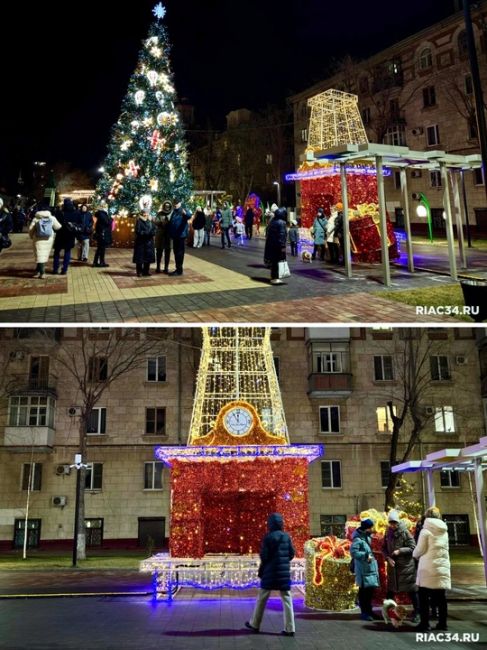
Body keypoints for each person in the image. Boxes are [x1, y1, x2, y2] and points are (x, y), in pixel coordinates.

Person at [245, 513, 296, 637]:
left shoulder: (268, 537)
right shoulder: (286, 537)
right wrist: (283, 561)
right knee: (287, 600)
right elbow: (291, 553)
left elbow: (264, 556)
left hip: (269, 572)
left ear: (270, 525)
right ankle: (290, 628)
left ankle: (255, 624)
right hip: (283, 573)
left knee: (262, 598)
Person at [413, 507, 451, 632]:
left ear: (427, 516)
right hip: (442, 568)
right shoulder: (444, 530)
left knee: (423, 597)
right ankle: (443, 623)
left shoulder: (426, 530)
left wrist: (414, 555)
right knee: (441, 598)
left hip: (428, 569)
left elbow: (420, 549)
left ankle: (425, 624)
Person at [382, 510, 419, 623]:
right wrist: (387, 558)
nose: (393, 525)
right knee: (390, 592)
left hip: (406, 568)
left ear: (398, 522)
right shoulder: (388, 533)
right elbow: (383, 548)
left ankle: (418, 613)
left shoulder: (405, 532)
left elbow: (413, 547)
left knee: (412, 591)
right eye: (391, 523)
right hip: (393, 568)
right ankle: (388, 613)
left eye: (394, 523)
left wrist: (400, 551)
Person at [350, 517, 380, 621]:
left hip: (369, 569)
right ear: (367, 528)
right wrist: (366, 555)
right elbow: (353, 552)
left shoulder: (366, 537)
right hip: (363, 570)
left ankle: (369, 611)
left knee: (369, 592)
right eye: (371, 527)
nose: (373, 529)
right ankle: (364, 613)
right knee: (364, 592)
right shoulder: (358, 539)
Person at [28, 200, 62, 278]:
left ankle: (42, 273)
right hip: (48, 239)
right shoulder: (52, 218)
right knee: (43, 255)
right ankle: (38, 271)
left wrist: (31, 236)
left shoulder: (36, 218)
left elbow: (30, 229)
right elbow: (58, 227)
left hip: (37, 239)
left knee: (39, 255)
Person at [53, 198, 82, 274]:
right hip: (70, 235)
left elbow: (54, 225)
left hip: (60, 234)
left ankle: (55, 269)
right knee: (67, 252)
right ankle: (64, 269)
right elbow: (80, 223)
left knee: (56, 252)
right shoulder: (76, 213)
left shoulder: (59, 212)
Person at [264, 207, 287, 285]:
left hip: (271, 245)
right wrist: (283, 246)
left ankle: (273, 277)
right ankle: (276, 278)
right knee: (278, 261)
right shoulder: (282, 222)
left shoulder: (272, 221)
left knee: (274, 262)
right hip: (278, 245)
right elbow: (282, 235)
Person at [168, 199, 191, 276]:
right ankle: (177, 269)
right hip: (175, 236)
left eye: (177, 203)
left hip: (181, 236)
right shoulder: (174, 211)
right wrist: (171, 234)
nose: (175, 204)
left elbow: (189, 215)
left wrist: (185, 213)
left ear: (180, 203)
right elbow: (171, 222)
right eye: (174, 203)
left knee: (179, 253)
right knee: (175, 252)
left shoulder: (183, 210)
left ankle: (179, 270)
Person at [154, 202, 172, 273]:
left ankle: (166, 268)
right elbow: (156, 221)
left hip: (168, 236)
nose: (167, 208)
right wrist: (162, 222)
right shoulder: (160, 213)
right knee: (159, 252)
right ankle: (158, 267)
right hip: (160, 235)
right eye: (166, 206)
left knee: (167, 252)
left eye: (168, 206)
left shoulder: (172, 213)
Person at [93, 203, 112, 268]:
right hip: (102, 234)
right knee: (101, 248)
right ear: (102, 207)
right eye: (105, 206)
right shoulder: (102, 214)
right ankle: (98, 262)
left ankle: (100, 262)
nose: (106, 207)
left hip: (101, 233)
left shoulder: (102, 214)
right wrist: (111, 219)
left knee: (101, 249)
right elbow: (107, 222)